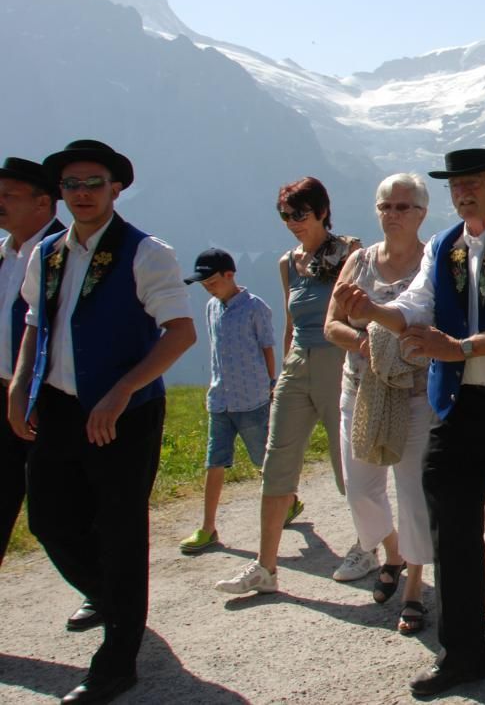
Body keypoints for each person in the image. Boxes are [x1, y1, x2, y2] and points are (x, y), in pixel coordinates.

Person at [335, 147, 485, 698]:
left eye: (474, 183)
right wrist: (372, 312)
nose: (463, 192)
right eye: (456, 185)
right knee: (453, 529)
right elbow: (419, 305)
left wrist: (459, 346)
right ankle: (463, 655)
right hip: (462, 408)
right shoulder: (443, 246)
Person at [8, 140, 196, 705]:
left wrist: (121, 392)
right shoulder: (49, 254)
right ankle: (116, 603)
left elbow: (180, 333)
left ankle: (117, 661)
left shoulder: (145, 252)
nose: (82, 194)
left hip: (125, 412)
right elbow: (36, 326)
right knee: (49, 519)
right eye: (71, 185)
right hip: (63, 407)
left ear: (116, 188)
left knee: (120, 530)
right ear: (60, 194)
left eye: (93, 183)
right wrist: (21, 386)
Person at [215, 176, 357, 596]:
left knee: (344, 459)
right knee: (277, 459)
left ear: (322, 211)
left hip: (339, 359)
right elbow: (290, 322)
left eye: (301, 214)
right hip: (300, 362)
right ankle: (266, 567)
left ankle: (367, 545)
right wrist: (280, 377)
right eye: (285, 215)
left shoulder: (349, 253)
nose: (293, 222)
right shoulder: (286, 262)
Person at [323, 173, 436, 634]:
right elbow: (331, 324)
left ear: (422, 214)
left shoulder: (433, 262)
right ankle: (390, 549)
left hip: (414, 395)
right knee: (359, 489)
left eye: (403, 207)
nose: (392, 214)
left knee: (412, 494)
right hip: (362, 389)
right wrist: (364, 344)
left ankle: (413, 585)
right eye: (385, 206)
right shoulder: (358, 262)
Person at [179, 248, 276, 555]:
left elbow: (267, 348)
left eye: (211, 280)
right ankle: (208, 527)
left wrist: (271, 385)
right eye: (202, 282)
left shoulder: (255, 308)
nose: (207, 286)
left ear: (229, 275)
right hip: (220, 398)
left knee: (265, 461)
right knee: (214, 461)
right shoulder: (210, 307)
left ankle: (287, 500)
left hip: (251, 399)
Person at [0, 156, 63, 568]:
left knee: (56, 513)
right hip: (3, 392)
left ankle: (103, 591)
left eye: (8, 196)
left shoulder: (65, 250)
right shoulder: (4, 254)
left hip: (49, 398)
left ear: (43, 204)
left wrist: (30, 387)